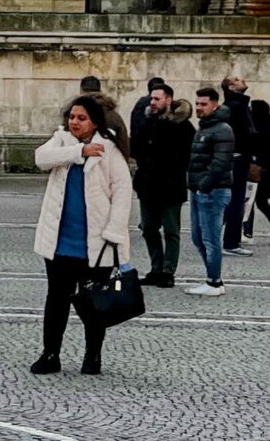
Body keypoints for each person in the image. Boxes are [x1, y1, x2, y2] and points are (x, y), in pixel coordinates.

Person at [31, 94, 135, 376]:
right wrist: (79, 153)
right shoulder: (62, 140)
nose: (74, 122)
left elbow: (123, 193)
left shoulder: (109, 150)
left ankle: (93, 356)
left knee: (96, 303)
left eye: (81, 118)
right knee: (56, 300)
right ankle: (50, 353)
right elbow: (41, 158)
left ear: (94, 122)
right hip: (60, 240)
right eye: (72, 117)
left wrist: (115, 231)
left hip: (96, 242)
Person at [129, 85, 192, 287]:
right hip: (147, 185)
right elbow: (136, 148)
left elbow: (185, 157)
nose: (152, 102)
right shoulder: (147, 121)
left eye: (157, 99)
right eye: (151, 99)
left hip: (170, 186)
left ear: (168, 99)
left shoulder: (183, 126)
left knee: (171, 231)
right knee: (148, 228)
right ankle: (156, 268)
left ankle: (167, 271)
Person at [184, 86, 236, 296]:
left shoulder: (222, 129)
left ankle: (214, 281)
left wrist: (205, 185)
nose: (199, 108)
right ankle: (213, 278)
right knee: (198, 237)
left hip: (213, 191)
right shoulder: (204, 128)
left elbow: (220, 162)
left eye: (203, 104)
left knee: (211, 238)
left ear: (215, 105)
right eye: (197, 104)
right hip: (200, 190)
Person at [246, 93, 270, 242]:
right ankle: (248, 232)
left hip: (263, 170)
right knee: (252, 201)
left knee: (258, 201)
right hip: (259, 169)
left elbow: (264, 152)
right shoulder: (263, 129)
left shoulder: (264, 131)